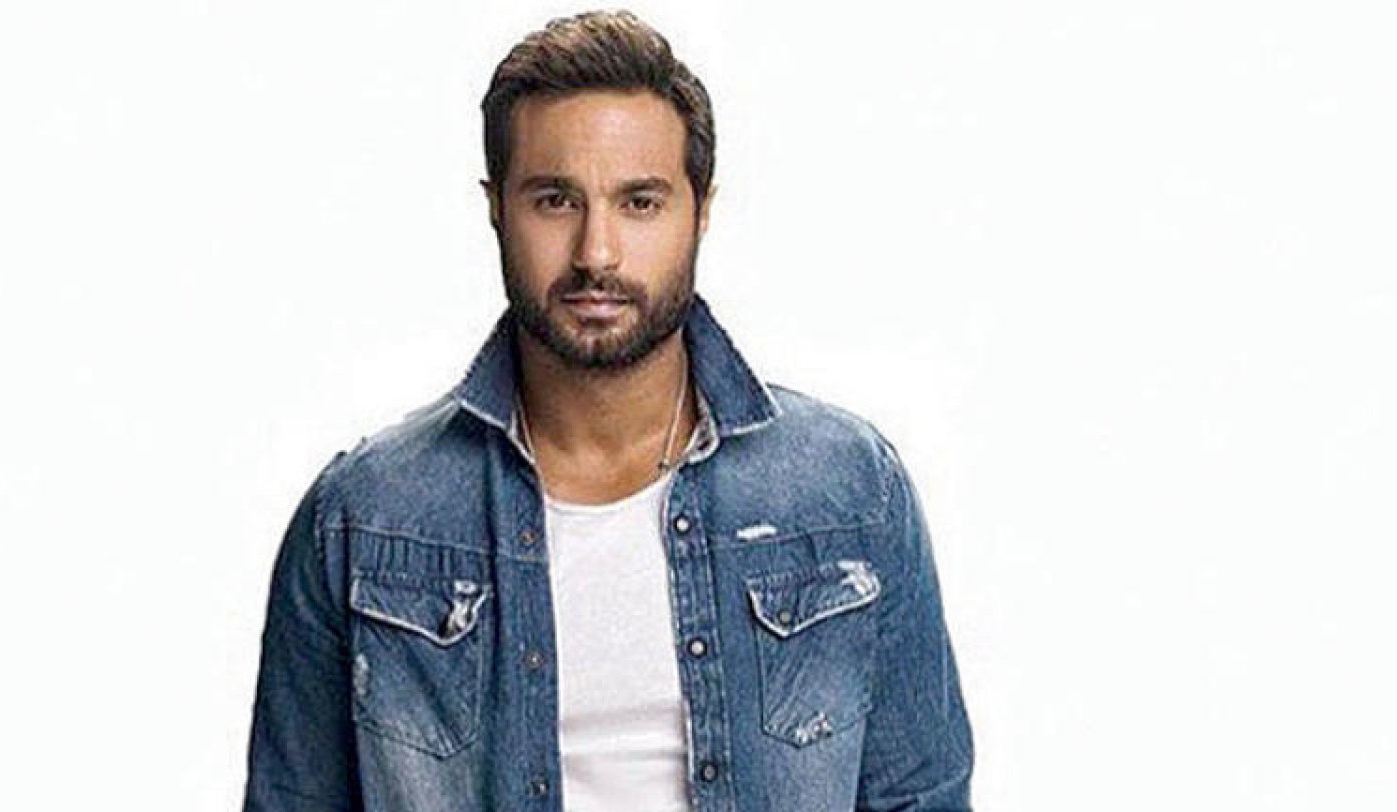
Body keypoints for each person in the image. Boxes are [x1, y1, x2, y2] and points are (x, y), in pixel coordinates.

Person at [242, 10, 972, 811]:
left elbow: (921, 798)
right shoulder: (364, 516)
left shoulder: (849, 493)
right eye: (556, 200)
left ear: (701, 209)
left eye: (640, 203)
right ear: (496, 208)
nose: (597, 253)